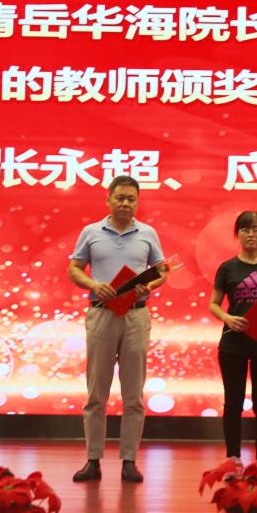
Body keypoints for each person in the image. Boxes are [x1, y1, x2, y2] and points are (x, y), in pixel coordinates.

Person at [68, 175, 168, 483]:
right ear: (108, 199)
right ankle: (93, 460)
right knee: (96, 393)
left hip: (136, 316)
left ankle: (129, 461)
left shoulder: (147, 233)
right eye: (120, 197)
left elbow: (162, 272)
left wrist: (149, 285)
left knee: (133, 394)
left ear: (137, 202)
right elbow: (74, 268)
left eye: (131, 199)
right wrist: (93, 284)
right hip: (102, 314)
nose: (125, 203)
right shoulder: (91, 232)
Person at [209, 211, 257, 468]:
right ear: (237, 234)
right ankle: (233, 458)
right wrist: (228, 318)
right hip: (233, 344)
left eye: (255, 229)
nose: (250, 234)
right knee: (233, 402)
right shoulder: (227, 268)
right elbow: (214, 304)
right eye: (245, 229)